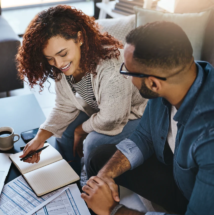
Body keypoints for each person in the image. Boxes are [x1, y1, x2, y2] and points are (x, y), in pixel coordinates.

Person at [81, 21, 214, 215]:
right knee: (99, 158)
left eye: (127, 71)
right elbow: (143, 137)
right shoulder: (170, 85)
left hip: (196, 203)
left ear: (153, 83)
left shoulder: (208, 138)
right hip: (176, 175)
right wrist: (106, 176)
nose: (124, 76)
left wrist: (113, 211)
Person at [16, 5, 147, 175]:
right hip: (105, 109)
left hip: (139, 114)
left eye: (63, 54)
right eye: (50, 58)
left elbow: (111, 118)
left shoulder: (111, 67)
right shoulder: (63, 69)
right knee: (64, 133)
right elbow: (64, 106)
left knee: (92, 142)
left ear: (79, 38)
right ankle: (70, 174)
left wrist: (82, 129)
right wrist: (39, 138)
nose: (58, 64)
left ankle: (87, 182)